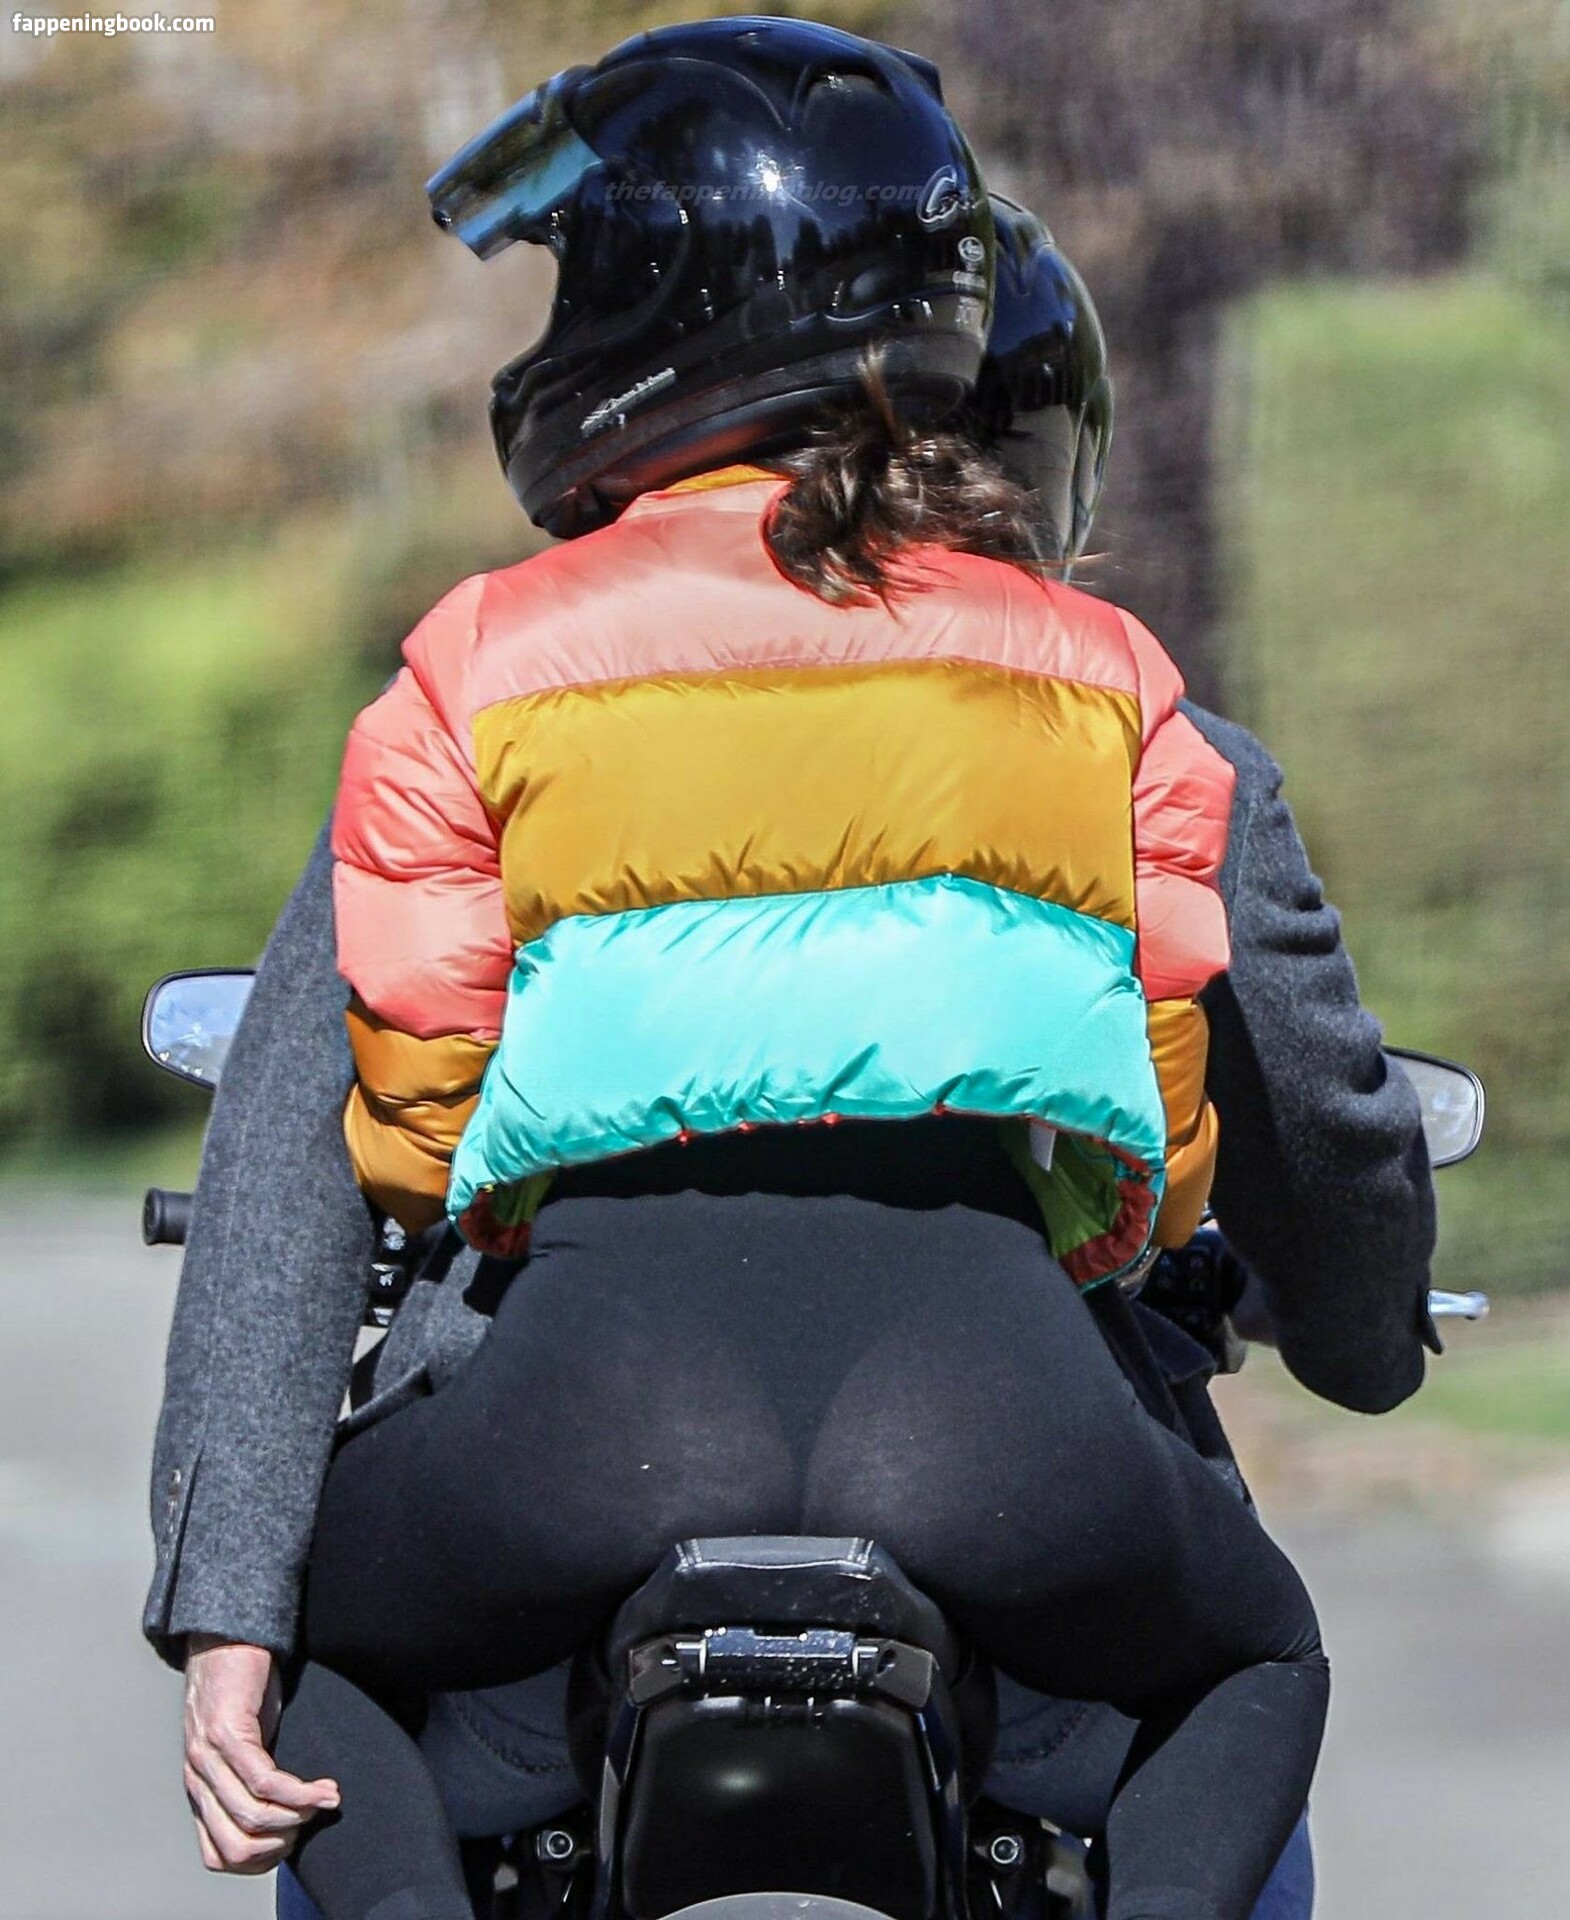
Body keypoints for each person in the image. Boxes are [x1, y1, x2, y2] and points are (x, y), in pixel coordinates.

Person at [148, 19, 1438, 1920]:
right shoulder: (1119, 696)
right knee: (1256, 1662)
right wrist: (1357, 1338)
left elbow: (307, 1151)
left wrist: (230, 1614)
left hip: (572, 1430)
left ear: (659, 315)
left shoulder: (469, 681)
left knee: (323, 1679)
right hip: (1005, 1432)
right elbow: (1310, 1109)